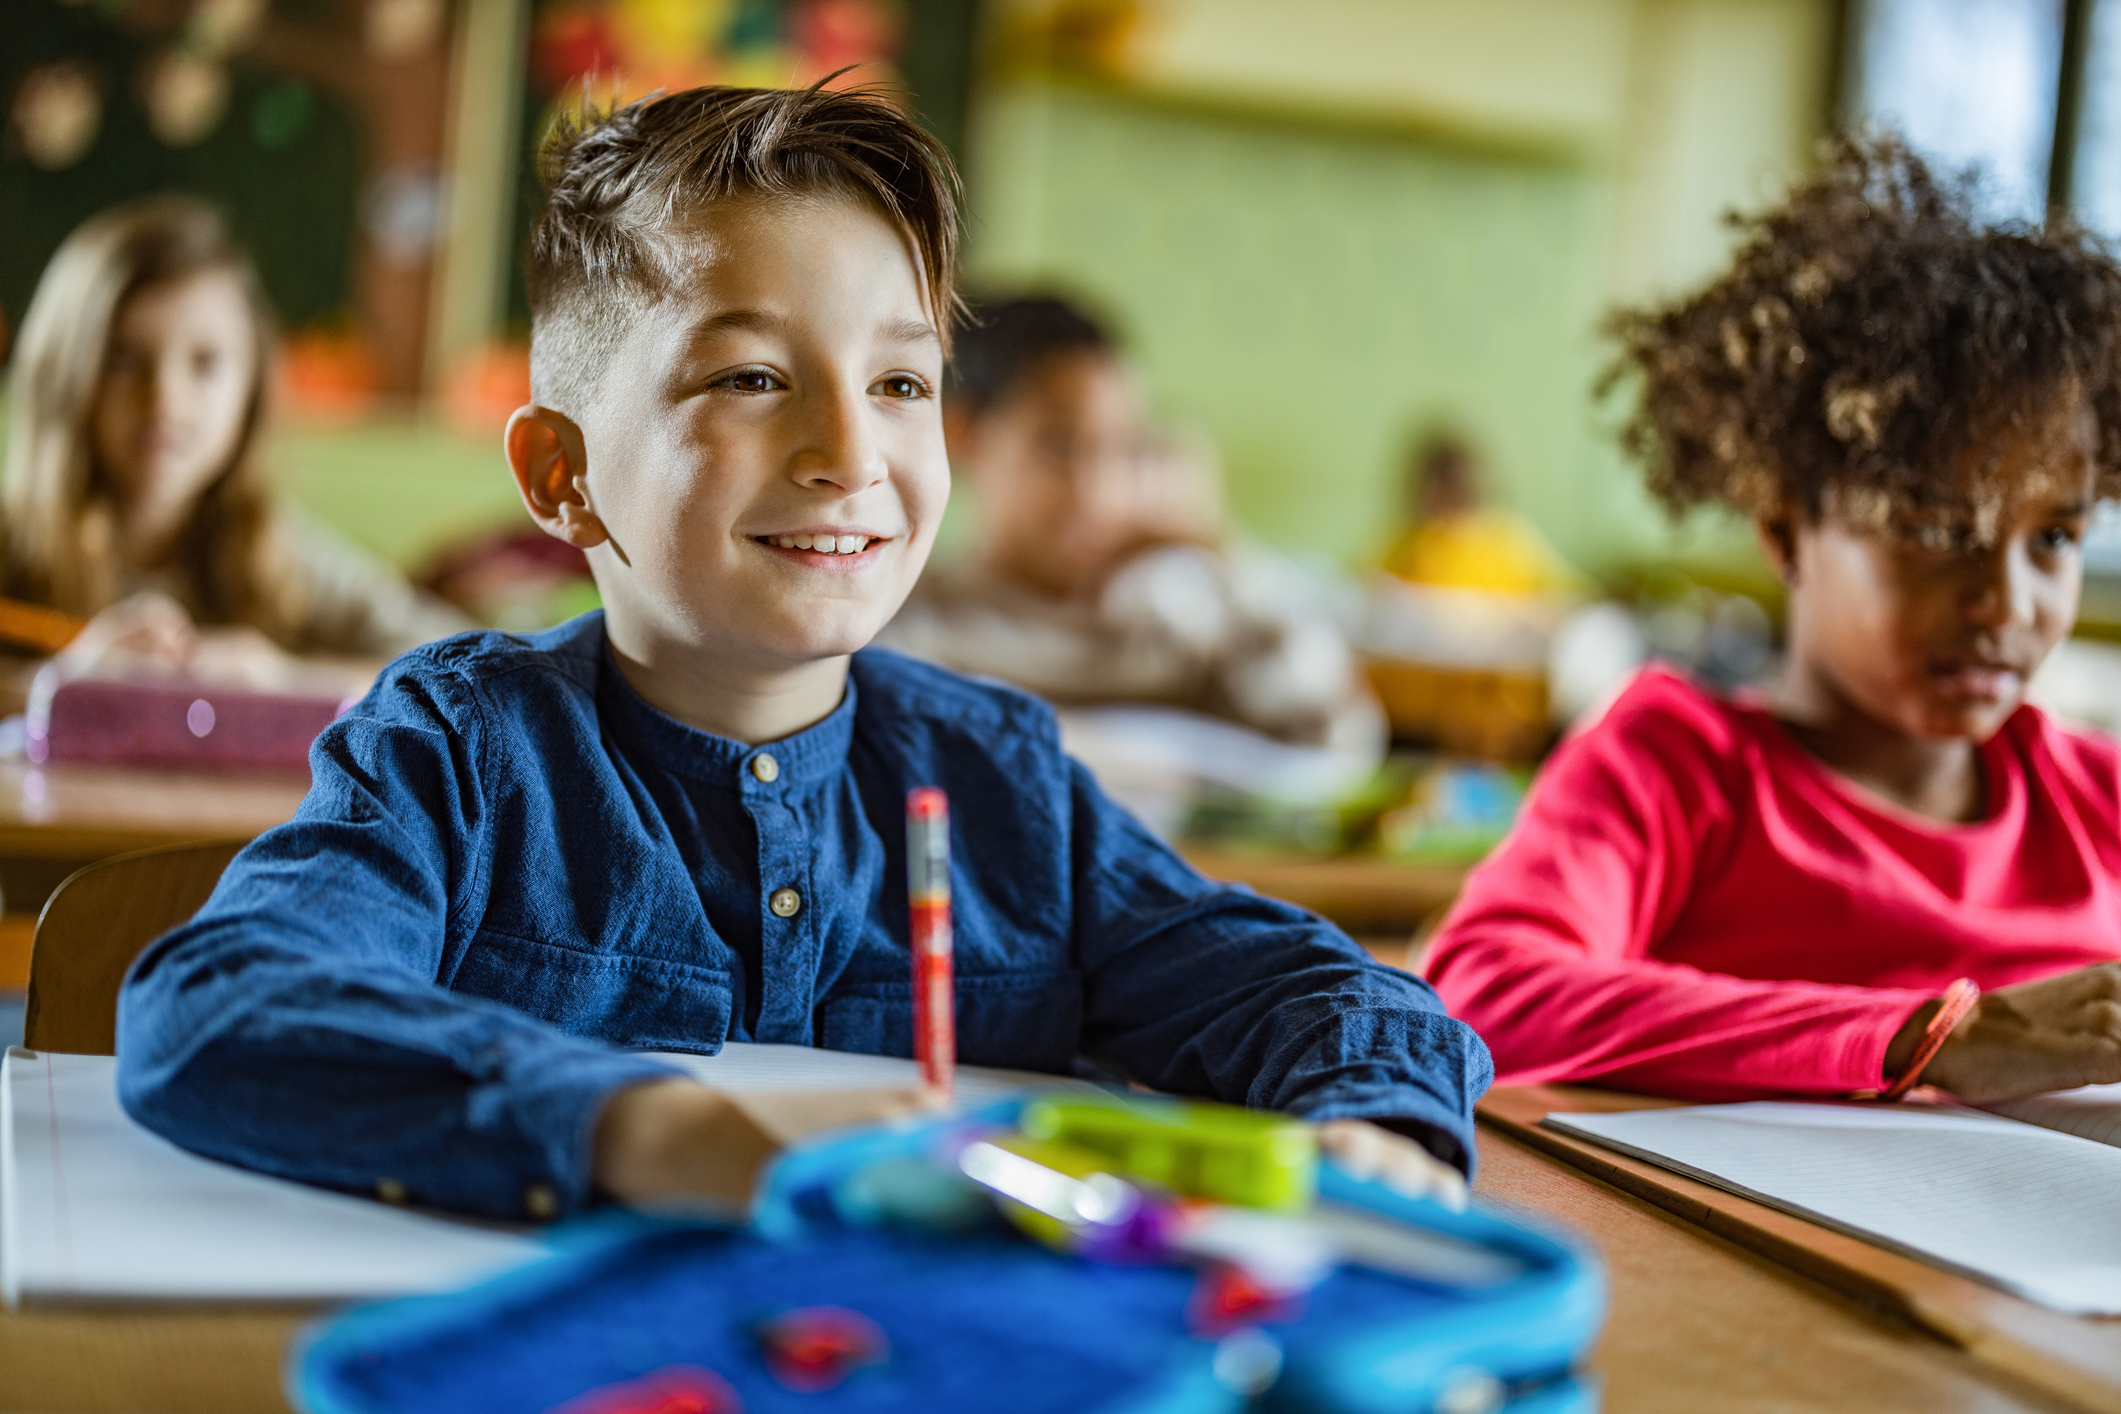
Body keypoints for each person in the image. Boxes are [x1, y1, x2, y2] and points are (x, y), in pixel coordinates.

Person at [114, 84, 1490, 1222]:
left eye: (900, 383)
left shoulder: (999, 781)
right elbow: (215, 1000)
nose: (849, 456)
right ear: (562, 473)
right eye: (752, 379)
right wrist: (645, 1128)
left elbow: (1327, 991)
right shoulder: (463, 754)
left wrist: (1375, 1122)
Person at [1423, 134, 2121, 1106]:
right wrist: (1929, 1035)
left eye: (2053, 538)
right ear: (1788, 528)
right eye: (1932, 527)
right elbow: (1482, 989)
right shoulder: (1674, 768)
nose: (2005, 600)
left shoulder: (2100, 800)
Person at [878, 295, 1382, 757]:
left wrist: (1213, 546)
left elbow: (1338, 737)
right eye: (1059, 446)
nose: (1097, 490)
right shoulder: (917, 630)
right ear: (963, 435)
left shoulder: (1172, 624)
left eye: (1121, 446)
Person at [2, 196, 467, 659]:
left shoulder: (276, 554)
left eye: (205, 363)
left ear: (251, 388)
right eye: (124, 360)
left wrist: (283, 685)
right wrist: (58, 688)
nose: (165, 399)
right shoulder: (14, 542)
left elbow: (457, 659)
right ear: (62, 373)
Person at [1380, 430, 1578, 597]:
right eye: (1438, 492)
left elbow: (1568, 595)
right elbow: (1370, 587)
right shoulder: (1408, 541)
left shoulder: (1505, 540)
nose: (1446, 502)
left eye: (1454, 491)